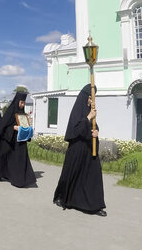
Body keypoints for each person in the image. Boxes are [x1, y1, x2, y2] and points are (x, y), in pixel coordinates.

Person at [53, 84, 106, 217]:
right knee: (71, 174)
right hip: (77, 149)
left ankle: (95, 205)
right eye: (90, 98)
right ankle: (62, 197)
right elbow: (75, 130)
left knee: (94, 175)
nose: (91, 101)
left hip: (89, 149)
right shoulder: (78, 111)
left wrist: (96, 132)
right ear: (84, 98)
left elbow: (92, 128)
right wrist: (88, 117)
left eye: (93, 99)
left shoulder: (90, 111)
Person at [0, 92, 36, 188]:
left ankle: (20, 180)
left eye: (24, 103)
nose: (22, 105)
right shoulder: (10, 112)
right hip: (9, 141)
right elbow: (2, 128)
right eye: (21, 102)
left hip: (20, 141)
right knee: (4, 158)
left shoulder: (22, 113)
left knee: (20, 159)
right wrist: (13, 128)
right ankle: (1, 174)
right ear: (17, 102)